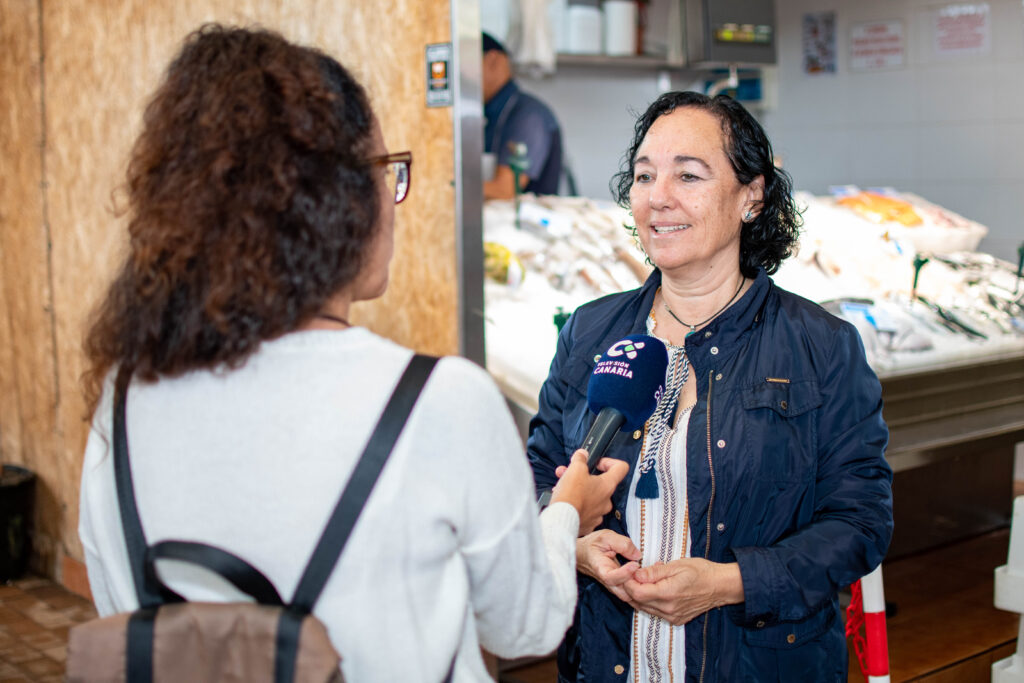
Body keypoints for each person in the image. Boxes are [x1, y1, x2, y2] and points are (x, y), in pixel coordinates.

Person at [78, 25, 629, 682]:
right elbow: (523, 623)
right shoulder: (440, 399)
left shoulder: (123, 394)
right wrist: (567, 509)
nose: (393, 201)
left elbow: (123, 602)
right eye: (385, 171)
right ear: (333, 203)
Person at [527, 91, 893, 681]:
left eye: (688, 175)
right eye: (644, 176)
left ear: (752, 195)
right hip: (607, 659)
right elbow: (540, 472)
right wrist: (572, 544)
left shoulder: (821, 344)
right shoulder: (590, 329)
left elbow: (860, 522)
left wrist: (728, 583)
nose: (658, 197)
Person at [482, 32, 563, 199]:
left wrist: (445, 185)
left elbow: (506, 190)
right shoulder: (487, 115)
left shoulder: (528, 116)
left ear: (493, 61)